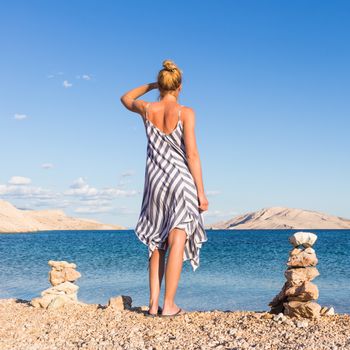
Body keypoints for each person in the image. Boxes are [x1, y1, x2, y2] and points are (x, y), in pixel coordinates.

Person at [120, 59, 208, 317]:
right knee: (178, 235)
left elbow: (125, 97)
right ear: (180, 87)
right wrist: (201, 192)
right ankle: (169, 305)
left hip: (156, 182)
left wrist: (151, 85)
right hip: (181, 182)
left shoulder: (147, 109)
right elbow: (191, 154)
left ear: (161, 85)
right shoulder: (185, 112)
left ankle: (152, 304)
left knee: (157, 242)